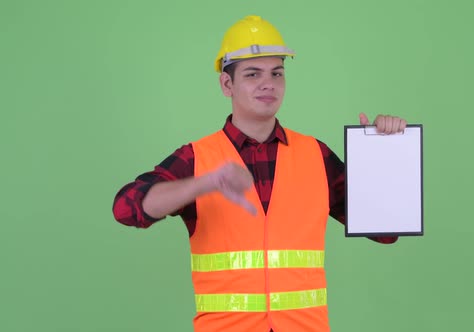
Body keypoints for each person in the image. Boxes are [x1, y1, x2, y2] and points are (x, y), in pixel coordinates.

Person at [113, 15, 407, 332]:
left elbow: (385, 231)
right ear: (228, 84)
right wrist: (204, 184)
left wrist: (381, 155)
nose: (268, 83)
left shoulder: (316, 155)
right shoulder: (197, 158)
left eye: (277, 73)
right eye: (253, 74)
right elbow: (128, 208)